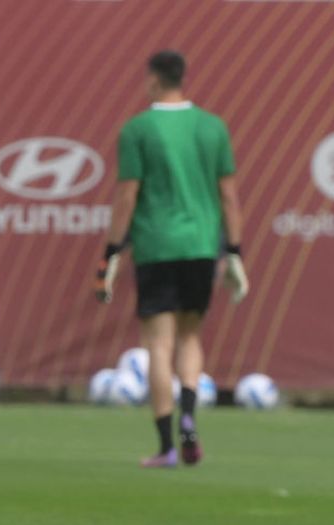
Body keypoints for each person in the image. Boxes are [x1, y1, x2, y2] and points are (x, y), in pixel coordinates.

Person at [95, 50, 249, 468]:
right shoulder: (213, 127)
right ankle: (189, 419)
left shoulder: (138, 129)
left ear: (153, 80)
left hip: (156, 246)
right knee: (190, 338)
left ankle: (166, 446)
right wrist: (234, 251)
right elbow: (229, 196)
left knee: (158, 345)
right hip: (201, 247)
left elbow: (127, 196)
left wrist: (111, 251)